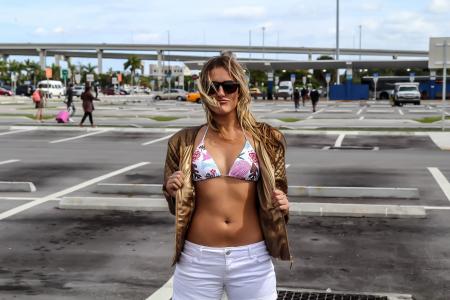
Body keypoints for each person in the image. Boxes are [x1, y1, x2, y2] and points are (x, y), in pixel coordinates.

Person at [163, 54, 291, 300]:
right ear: (203, 91)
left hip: (252, 260)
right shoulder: (183, 141)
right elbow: (175, 206)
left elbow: (280, 192)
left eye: (228, 86)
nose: (220, 92)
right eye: (213, 87)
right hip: (197, 260)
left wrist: (283, 204)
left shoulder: (267, 138)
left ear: (240, 90)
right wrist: (171, 190)